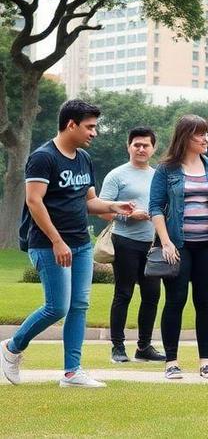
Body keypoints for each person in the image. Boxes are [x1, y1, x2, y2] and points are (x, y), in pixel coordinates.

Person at [1, 100, 134, 389]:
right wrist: (57, 241)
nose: (94, 133)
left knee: (79, 305)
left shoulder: (84, 159)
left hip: (80, 244)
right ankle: (12, 347)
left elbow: (88, 201)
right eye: (90, 127)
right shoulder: (43, 158)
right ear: (71, 124)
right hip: (48, 244)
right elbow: (34, 201)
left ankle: (72, 372)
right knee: (57, 307)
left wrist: (115, 205)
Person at [149, 114, 208, 381]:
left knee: (205, 303)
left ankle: (206, 362)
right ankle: (171, 362)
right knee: (175, 301)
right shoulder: (166, 170)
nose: (206, 139)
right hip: (178, 246)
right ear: (186, 137)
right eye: (201, 134)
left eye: (207, 133)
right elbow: (155, 207)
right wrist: (166, 242)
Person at [98, 126, 167, 364]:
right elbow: (102, 211)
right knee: (124, 293)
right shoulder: (117, 175)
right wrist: (128, 215)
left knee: (151, 295)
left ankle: (144, 347)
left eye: (145, 145)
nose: (141, 148)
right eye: (136, 144)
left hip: (152, 245)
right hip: (125, 241)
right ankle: (118, 347)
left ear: (153, 148)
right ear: (128, 146)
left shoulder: (159, 175)